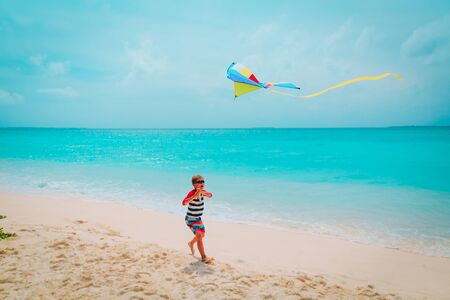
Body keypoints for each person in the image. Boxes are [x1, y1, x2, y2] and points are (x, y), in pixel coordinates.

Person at [182, 174, 214, 264]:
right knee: (199, 236)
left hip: (198, 219)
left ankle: (191, 243)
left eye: (203, 181)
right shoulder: (192, 193)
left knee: (202, 235)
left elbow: (211, 195)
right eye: (199, 182)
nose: (202, 183)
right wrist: (194, 196)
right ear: (194, 184)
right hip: (190, 219)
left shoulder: (203, 191)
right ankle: (204, 257)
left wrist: (203, 193)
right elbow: (184, 203)